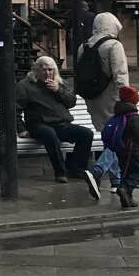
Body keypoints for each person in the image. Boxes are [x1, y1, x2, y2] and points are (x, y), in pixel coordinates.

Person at [18, 55, 93, 185]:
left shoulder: (59, 82)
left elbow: (71, 102)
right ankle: (60, 172)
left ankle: (76, 168)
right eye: (44, 69)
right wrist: (21, 129)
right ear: (37, 70)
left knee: (86, 134)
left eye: (51, 70)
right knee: (50, 135)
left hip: (61, 123)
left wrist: (58, 90)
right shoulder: (25, 85)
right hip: (38, 124)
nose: (48, 73)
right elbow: (15, 109)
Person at [95, 84, 139, 210]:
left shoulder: (118, 115)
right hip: (133, 150)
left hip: (121, 151)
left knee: (125, 172)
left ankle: (128, 199)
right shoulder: (133, 116)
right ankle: (125, 189)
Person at [76, 10, 130, 131]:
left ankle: (101, 150)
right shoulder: (114, 45)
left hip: (91, 95)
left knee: (100, 128)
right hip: (110, 95)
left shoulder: (83, 46)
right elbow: (120, 74)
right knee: (115, 130)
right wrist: (126, 98)